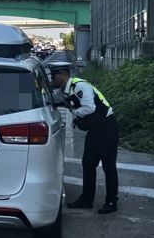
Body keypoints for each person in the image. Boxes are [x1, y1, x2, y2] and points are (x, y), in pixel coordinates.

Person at [48, 62, 119, 214]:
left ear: (63, 75)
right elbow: (52, 99)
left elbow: (89, 108)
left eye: (54, 76)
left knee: (108, 166)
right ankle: (86, 199)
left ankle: (112, 201)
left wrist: (73, 112)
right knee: (88, 163)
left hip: (107, 126)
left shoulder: (80, 86)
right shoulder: (64, 90)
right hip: (95, 128)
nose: (52, 79)